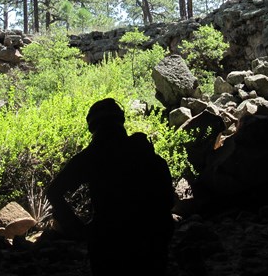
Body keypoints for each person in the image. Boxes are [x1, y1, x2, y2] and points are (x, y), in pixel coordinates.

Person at [46, 98, 175, 276]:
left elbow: (54, 192)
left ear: (93, 127)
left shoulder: (91, 155)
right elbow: (167, 197)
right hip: (150, 237)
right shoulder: (142, 150)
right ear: (120, 120)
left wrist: (79, 230)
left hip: (109, 241)